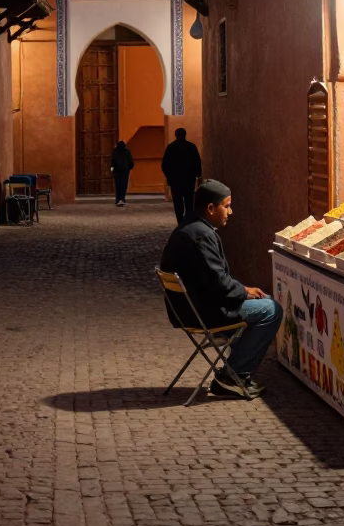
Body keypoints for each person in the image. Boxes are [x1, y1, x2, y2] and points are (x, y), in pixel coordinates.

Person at [159, 179, 283, 398]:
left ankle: (233, 372)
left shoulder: (188, 227)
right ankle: (233, 375)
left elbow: (215, 278)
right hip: (206, 313)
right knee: (271, 309)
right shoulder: (202, 235)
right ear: (210, 208)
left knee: (258, 303)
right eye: (226, 206)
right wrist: (244, 292)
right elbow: (220, 284)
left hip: (189, 310)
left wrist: (243, 289)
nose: (230, 211)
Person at [161, 127, 202, 225]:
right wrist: (198, 174)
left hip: (175, 179)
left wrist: (169, 177)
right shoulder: (191, 147)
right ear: (185, 135)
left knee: (177, 201)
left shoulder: (171, 147)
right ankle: (188, 219)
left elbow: (164, 165)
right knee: (189, 200)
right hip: (189, 179)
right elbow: (197, 161)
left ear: (176, 135)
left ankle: (180, 221)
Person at [110, 140, 134, 206]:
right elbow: (131, 161)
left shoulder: (115, 151)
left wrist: (112, 168)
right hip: (125, 171)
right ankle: (122, 199)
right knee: (123, 185)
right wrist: (129, 168)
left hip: (116, 171)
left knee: (117, 186)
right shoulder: (127, 152)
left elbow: (112, 161)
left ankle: (117, 200)